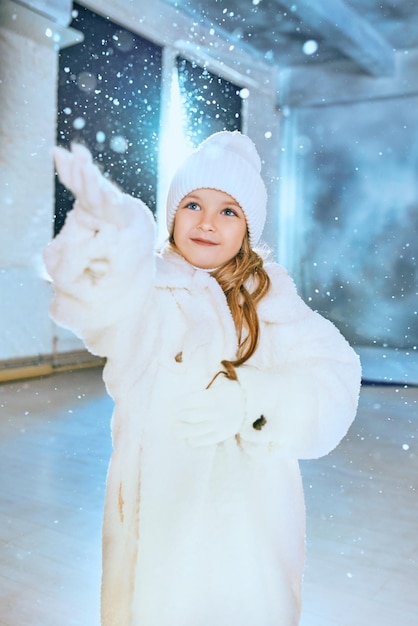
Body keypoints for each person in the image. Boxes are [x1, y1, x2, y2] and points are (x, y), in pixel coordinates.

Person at [44, 130, 361, 626]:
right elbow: (102, 308)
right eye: (192, 204)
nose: (208, 222)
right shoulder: (147, 292)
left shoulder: (271, 303)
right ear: (171, 216)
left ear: (247, 229)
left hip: (246, 527)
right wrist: (105, 237)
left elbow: (333, 381)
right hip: (157, 522)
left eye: (228, 211)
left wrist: (252, 401)